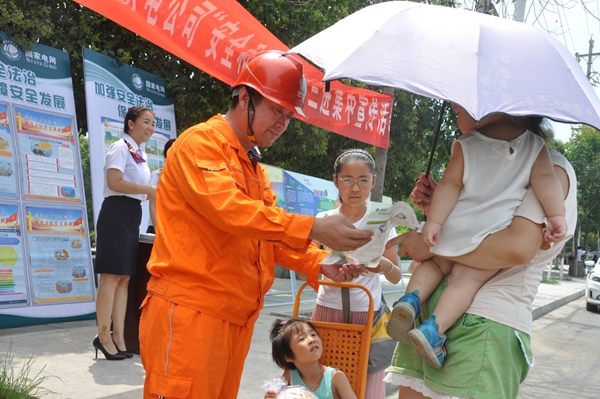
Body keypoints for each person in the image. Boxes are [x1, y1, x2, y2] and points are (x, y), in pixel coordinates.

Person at [138, 50, 373, 399]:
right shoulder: (200, 143)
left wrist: (318, 262)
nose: (282, 123)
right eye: (277, 110)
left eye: (289, 115)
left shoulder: (252, 166)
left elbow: (263, 236)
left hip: (234, 317)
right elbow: (229, 211)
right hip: (192, 312)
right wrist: (312, 228)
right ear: (245, 97)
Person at [384, 146, 577, 399]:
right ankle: (421, 314)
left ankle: (409, 301)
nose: (456, 111)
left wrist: (432, 243)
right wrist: (438, 209)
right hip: (439, 321)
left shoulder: (547, 166)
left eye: (460, 111)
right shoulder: (482, 152)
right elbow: (473, 224)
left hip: (480, 322)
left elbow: (517, 248)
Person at [311, 148, 401, 398]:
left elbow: (395, 276)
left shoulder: (382, 222)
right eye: (347, 179)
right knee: (324, 378)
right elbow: (307, 262)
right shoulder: (324, 220)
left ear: (373, 181)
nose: (355, 188)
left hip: (366, 315)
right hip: (326, 310)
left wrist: (382, 264)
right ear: (335, 181)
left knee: (363, 382)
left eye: (363, 180)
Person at [92, 106, 156, 361]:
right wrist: (149, 190)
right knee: (110, 277)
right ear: (131, 123)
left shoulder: (140, 154)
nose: (151, 128)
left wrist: (148, 191)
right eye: (146, 122)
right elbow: (114, 182)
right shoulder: (120, 147)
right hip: (116, 213)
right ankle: (103, 336)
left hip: (132, 214)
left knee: (125, 279)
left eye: (153, 124)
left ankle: (119, 337)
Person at [265, 319, 358, 399]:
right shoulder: (290, 376)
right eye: (302, 339)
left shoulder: (336, 377)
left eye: (313, 334)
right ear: (288, 357)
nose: (311, 340)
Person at [146, 138, 175, 234]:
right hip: (156, 228)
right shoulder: (157, 175)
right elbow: (152, 204)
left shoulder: (182, 178)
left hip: (172, 229)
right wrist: (158, 230)